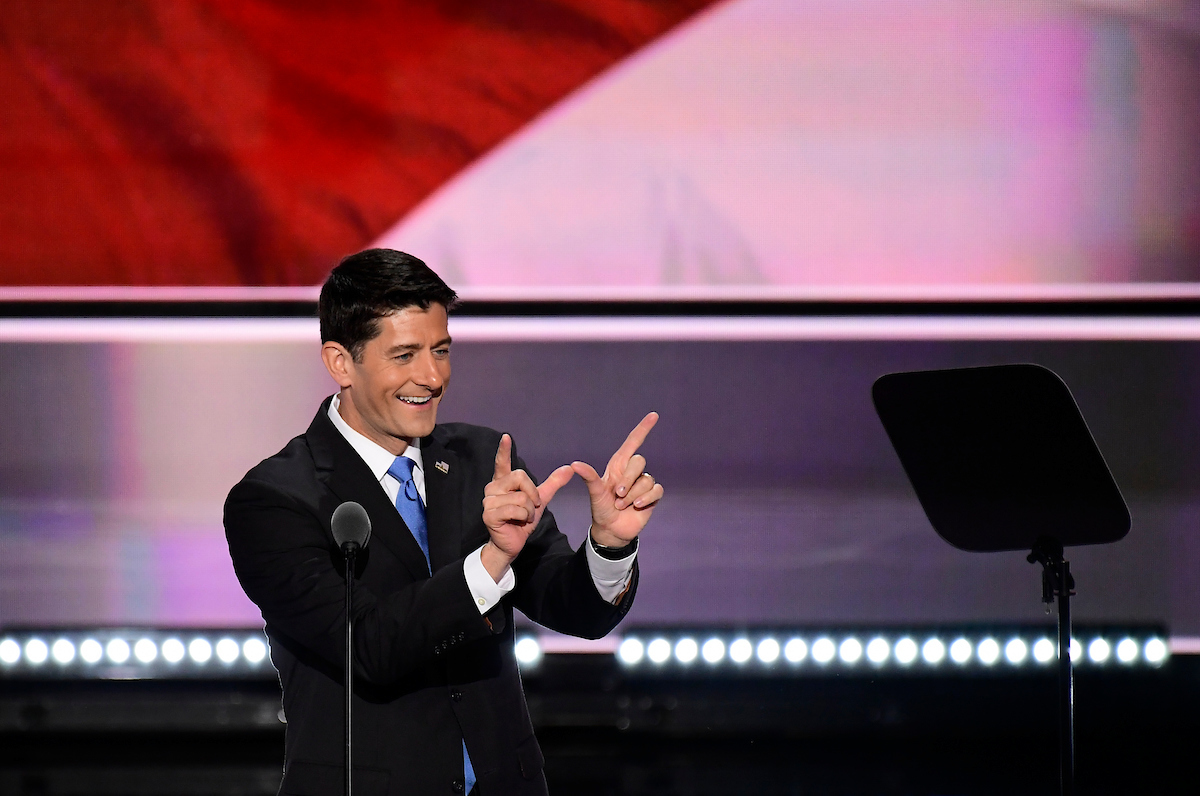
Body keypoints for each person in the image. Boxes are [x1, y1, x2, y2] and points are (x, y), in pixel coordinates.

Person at [224, 248, 662, 796]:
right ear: (341, 362)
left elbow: (574, 608)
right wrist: (491, 560)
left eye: (441, 350)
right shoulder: (274, 500)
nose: (431, 376)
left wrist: (609, 545)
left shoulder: (483, 459)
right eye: (404, 355)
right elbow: (369, 647)